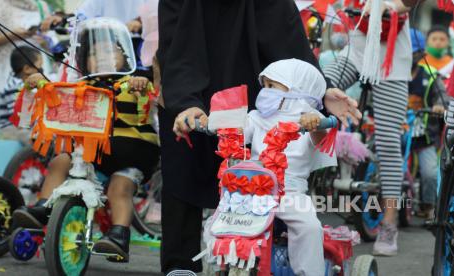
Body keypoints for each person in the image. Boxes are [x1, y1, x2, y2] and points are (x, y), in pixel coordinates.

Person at [157, 1, 361, 274]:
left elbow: (291, 48)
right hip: (189, 95)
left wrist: (320, 92)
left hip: (258, 96)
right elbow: (174, 47)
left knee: (262, 184)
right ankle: (182, 267)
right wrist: (183, 101)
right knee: (184, 161)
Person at [11, 18, 160, 262]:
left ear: (124, 55)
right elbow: (56, 94)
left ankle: (119, 235)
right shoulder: (81, 85)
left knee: (119, 187)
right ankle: (43, 207)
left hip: (132, 151)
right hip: (93, 151)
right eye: (94, 54)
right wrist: (41, 84)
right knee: (60, 159)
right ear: (84, 60)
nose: (102, 57)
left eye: (110, 52)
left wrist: (142, 83)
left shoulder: (133, 82)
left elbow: (152, 95)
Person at [323, 0, 412, 256]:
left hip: (392, 60)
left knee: (387, 140)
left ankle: (389, 223)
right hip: (356, 50)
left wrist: (389, 5)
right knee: (316, 91)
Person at [243, 59, 336, 275]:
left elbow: (320, 138)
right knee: (218, 220)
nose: (265, 92)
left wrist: (315, 124)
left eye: (272, 86)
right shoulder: (256, 117)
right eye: (264, 86)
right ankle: (220, 265)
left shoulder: (311, 119)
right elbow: (237, 130)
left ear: (298, 88)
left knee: (309, 227)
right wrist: (212, 121)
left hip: (290, 191)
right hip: (252, 189)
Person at [0, 0, 56, 137]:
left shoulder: (40, 6)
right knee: (2, 133)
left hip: (36, 72)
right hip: (0, 78)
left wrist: (45, 41)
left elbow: (53, 42)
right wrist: (12, 35)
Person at [408, 29, 448, 220]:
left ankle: (429, 206)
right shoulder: (389, 73)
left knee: (430, 173)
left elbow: (443, 96)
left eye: (414, 52)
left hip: (425, 137)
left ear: (421, 53)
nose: (410, 56)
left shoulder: (431, 75)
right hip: (398, 134)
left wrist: (440, 105)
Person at [0, 46, 42, 141]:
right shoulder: (16, 87)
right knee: (29, 136)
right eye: (39, 67)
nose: (42, 71)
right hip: (11, 131)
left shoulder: (26, 87)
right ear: (27, 69)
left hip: (23, 128)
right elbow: (18, 119)